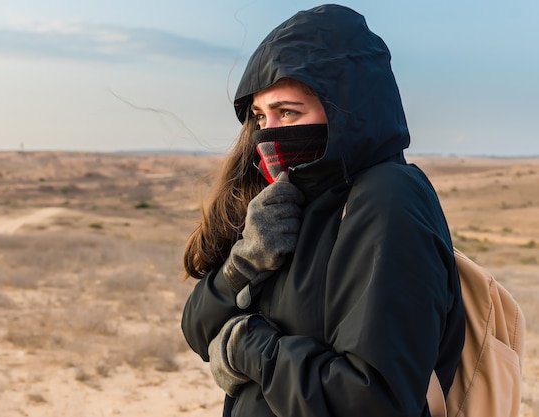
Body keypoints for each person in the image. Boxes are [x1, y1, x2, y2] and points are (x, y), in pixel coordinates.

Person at [181, 4, 465, 417]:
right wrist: (242, 263)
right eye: (260, 116)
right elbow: (197, 329)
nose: (268, 133)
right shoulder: (290, 200)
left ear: (345, 110)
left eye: (288, 112)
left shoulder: (387, 200)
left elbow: (374, 399)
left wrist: (248, 346)